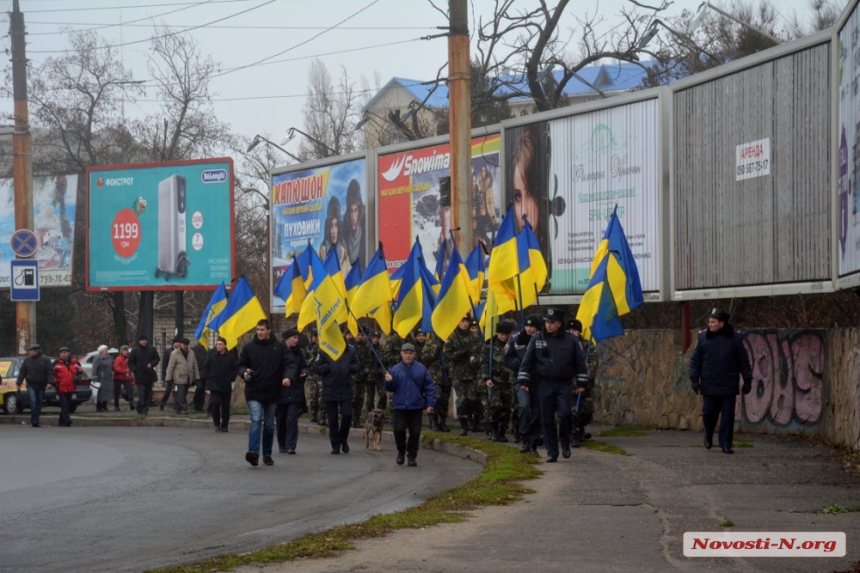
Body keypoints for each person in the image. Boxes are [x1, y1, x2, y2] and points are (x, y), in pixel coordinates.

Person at [518, 308, 588, 463]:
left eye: (552, 322)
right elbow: (527, 362)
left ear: (559, 324)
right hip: (545, 383)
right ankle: (552, 452)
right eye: (546, 322)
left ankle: (565, 442)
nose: (548, 325)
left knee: (565, 414)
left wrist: (582, 383)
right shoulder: (537, 338)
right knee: (547, 419)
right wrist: (523, 380)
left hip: (564, 383)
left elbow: (580, 363)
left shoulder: (571, 340)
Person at [689, 307, 753, 454]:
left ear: (722, 323)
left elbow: (743, 361)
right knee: (708, 413)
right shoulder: (703, 337)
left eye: (713, 322)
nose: (710, 324)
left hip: (728, 383)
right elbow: (696, 360)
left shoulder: (735, 338)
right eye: (709, 322)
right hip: (709, 382)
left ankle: (726, 444)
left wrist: (748, 379)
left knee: (728, 416)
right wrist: (694, 379)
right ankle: (708, 434)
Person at [238, 319, 290, 467]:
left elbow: (288, 364)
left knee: (269, 424)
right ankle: (253, 453)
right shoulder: (249, 347)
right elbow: (240, 364)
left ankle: (267, 454)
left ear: (269, 331)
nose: (259, 332)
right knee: (256, 420)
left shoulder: (279, 347)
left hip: (272, 391)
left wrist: (287, 377)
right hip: (254, 390)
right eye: (258, 330)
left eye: (262, 330)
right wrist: (244, 372)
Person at [384, 343, 437, 466]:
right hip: (399, 406)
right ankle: (401, 451)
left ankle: (412, 455)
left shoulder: (421, 369)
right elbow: (390, 388)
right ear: (401, 354)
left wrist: (430, 404)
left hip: (416, 406)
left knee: (415, 432)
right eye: (405, 353)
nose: (408, 356)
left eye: (410, 353)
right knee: (398, 429)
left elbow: (429, 387)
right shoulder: (395, 369)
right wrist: (388, 381)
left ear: (414, 354)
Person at [313, 335, 360, 454]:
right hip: (330, 388)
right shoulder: (324, 351)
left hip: (345, 388)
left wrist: (348, 368)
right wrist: (329, 367)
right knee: (332, 419)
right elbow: (316, 367)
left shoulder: (350, 351)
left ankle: (343, 439)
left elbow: (357, 365)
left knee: (347, 415)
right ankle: (335, 444)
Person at [506, 314, 542, 453]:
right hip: (521, 380)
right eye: (527, 326)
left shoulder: (542, 340)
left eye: (532, 326)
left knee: (537, 411)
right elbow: (508, 358)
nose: (529, 329)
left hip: (538, 380)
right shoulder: (516, 340)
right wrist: (520, 364)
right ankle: (524, 437)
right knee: (524, 406)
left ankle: (534, 439)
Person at [443, 317, 483, 436]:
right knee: (461, 399)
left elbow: (480, 352)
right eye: (462, 321)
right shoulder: (453, 337)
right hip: (458, 374)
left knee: (472, 398)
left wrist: (474, 360)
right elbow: (446, 354)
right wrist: (459, 354)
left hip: (471, 373)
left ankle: (471, 420)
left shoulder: (474, 337)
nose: (465, 324)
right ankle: (463, 425)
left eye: (467, 322)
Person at [481, 319, 516, 442]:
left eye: (506, 335)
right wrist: (486, 378)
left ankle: (502, 431)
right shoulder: (489, 346)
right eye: (501, 334)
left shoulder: (513, 344)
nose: (504, 337)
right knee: (495, 406)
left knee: (506, 408)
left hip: (509, 381)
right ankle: (493, 429)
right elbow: (484, 363)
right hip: (494, 380)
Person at [276, 329, 307, 454]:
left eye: (297, 337)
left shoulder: (299, 352)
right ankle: (282, 444)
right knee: (281, 419)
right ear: (286, 338)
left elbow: (304, 365)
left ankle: (291, 445)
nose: (296, 340)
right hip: (280, 391)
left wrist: (304, 372)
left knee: (292, 419)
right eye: (294, 337)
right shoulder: (278, 351)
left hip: (295, 390)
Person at [567, 319, 596, 448]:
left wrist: (585, 377)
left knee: (587, 412)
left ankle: (581, 429)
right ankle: (574, 436)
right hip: (570, 385)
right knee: (573, 412)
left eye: (574, 330)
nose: (572, 333)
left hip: (585, 385)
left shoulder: (587, 346)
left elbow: (593, 364)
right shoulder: (563, 345)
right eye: (569, 330)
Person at [202, 337, 237, 432]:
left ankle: (224, 425)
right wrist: (207, 378)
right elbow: (205, 367)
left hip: (226, 384)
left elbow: (235, 369)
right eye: (217, 344)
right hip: (214, 384)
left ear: (225, 346)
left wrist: (231, 378)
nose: (218, 346)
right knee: (215, 403)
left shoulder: (230, 357)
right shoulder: (211, 355)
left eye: (220, 344)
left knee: (225, 405)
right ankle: (216, 423)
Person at [16, 344, 54, 427]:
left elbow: (50, 372)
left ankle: (36, 417)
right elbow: (22, 372)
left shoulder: (45, 359)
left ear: (36, 351)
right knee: (33, 401)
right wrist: (18, 383)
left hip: (41, 384)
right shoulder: (27, 360)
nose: (29, 352)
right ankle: (34, 420)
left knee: (39, 402)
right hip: (31, 384)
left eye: (31, 350)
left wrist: (50, 382)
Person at [422, 333, 451, 432]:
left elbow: (454, 357)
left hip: (446, 376)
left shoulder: (449, 342)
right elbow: (425, 358)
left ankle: (442, 422)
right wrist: (435, 351)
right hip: (434, 376)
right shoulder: (430, 343)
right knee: (436, 398)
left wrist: (449, 367)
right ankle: (433, 421)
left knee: (444, 400)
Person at [165, 338, 200, 415]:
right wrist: (168, 379)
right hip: (179, 377)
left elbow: (195, 365)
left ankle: (177, 407)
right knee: (181, 393)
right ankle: (184, 408)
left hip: (188, 377)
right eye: (184, 344)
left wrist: (197, 377)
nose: (185, 346)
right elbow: (170, 367)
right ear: (180, 344)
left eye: (186, 345)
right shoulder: (174, 354)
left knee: (184, 393)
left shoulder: (191, 353)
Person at [128, 334, 160, 415]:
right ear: (139, 341)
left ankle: (139, 406)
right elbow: (130, 362)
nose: (144, 342)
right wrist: (135, 369)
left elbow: (157, 358)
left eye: (145, 340)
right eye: (142, 340)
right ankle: (144, 408)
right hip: (139, 374)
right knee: (141, 392)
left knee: (147, 393)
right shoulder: (135, 350)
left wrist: (152, 364)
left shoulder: (152, 349)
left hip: (149, 374)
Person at [319, 196, 350, 275]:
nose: (334, 231)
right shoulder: (321, 255)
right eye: (331, 226)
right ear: (328, 228)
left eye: (336, 226)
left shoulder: (345, 255)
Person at [53, 347, 83, 427]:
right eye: (62, 353)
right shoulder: (56, 363)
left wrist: (80, 370)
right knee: (64, 404)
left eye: (65, 352)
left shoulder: (75, 362)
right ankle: (67, 419)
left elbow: (80, 373)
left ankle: (61, 421)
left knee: (67, 404)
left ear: (68, 353)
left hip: (71, 386)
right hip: (60, 387)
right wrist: (55, 383)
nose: (63, 354)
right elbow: (51, 374)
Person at [343, 179, 366, 273]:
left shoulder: (366, 230)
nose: (353, 217)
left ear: (359, 211)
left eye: (355, 210)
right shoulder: (343, 231)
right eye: (351, 211)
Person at [305, 329, 325, 425]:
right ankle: (313, 414)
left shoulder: (322, 347)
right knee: (313, 396)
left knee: (321, 397)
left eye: (316, 336)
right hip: (311, 375)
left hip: (320, 376)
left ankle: (322, 416)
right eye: (313, 337)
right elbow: (305, 361)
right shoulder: (307, 348)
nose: (314, 339)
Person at [159, 337, 181, 411]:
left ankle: (177, 405)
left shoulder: (181, 351)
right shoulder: (168, 351)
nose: (178, 344)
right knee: (168, 390)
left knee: (179, 390)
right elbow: (164, 364)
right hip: (170, 374)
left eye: (179, 342)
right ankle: (162, 404)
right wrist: (164, 375)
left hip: (179, 374)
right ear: (173, 343)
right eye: (177, 342)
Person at [92, 345, 115, 412]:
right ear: (102, 351)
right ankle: (98, 406)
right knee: (100, 393)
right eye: (106, 350)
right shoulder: (98, 358)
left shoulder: (108, 357)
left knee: (108, 392)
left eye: (107, 350)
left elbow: (111, 366)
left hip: (108, 378)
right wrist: (94, 376)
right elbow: (94, 368)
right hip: (100, 378)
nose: (107, 351)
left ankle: (104, 405)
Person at [113, 345, 134, 412]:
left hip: (127, 377)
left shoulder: (128, 358)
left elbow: (130, 367)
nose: (125, 352)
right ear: (121, 351)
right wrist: (124, 371)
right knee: (117, 392)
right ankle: (116, 406)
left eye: (126, 350)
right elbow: (116, 369)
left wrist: (130, 375)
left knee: (129, 390)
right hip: (118, 378)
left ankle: (132, 404)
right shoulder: (118, 359)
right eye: (124, 350)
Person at [191, 342, 208, 412]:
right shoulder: (193, 350)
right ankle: (195, 404)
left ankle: (200, 405)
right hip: (196, 372)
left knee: (203, 389)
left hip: (204, 372)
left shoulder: (207, 349)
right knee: (199, 387)